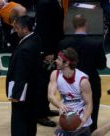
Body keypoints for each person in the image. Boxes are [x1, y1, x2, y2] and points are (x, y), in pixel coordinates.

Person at [58, 14, 106, 136]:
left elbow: (60, 65)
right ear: (85, 24)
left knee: (71, 114)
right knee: (91, 114)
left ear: (73, 25)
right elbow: (102, 65)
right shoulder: (96, 43)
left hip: (70, 84)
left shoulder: (63, 43)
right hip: (90, 83)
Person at [2, 15, 41, 136]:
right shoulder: (35, 38)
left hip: (23, 92)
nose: (15, 31)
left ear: (25, 29)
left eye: (17, 28)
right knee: (30, 122)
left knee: (19, 123)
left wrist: (16, 95)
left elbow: (21, 74)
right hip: (33, 90)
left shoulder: (25, 48)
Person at [34, 0, 64, 128]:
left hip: (53, 46)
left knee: (48, 80)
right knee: (43, 81)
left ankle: (45, 109)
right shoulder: (46, 3)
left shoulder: (53, 2)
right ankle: (40, 114)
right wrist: (48, 51)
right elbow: (44, 29)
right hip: (48, 50)